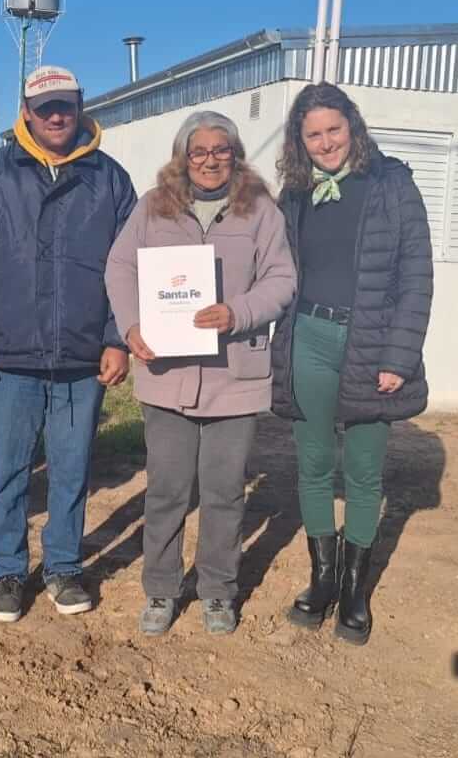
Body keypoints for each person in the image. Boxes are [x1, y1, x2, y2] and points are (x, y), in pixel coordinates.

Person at [0, 65, 136, 623]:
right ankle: (6, 572)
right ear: (26, 111)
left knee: (73, 466)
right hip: (9, 354)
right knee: (8, 466)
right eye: (45, 106)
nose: (56, 115)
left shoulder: (110, 179)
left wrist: (117, 338)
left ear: (81, 107)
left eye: (66, 105)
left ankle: (64, 566)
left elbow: (129, 267)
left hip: (82, 356)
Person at [105, 111, 296, 636]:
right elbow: (120, 267)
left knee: (223, 491)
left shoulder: (260, 209)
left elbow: (282, 278)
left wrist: (240, 311)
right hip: (168, 374)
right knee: (166, 489)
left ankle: (217, 590)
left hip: (235, 377)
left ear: (235, 153)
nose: (210, 160)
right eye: (199, 151)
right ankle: (162, 589)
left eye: (221, 149)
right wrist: (131, 325)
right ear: (182, 156)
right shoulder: (153, 208)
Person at [270, 83, 433, 644]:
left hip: (370, 344)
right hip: (308, 337)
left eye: (333, 129)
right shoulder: (293, 193)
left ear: (353, 127)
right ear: (300, 141)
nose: (325, 142)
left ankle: (356, 589)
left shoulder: (392, 184)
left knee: (364, 471)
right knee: (314, 464)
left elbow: (417, 278)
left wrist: (400, 356)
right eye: (312, 134)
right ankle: (322, 578)